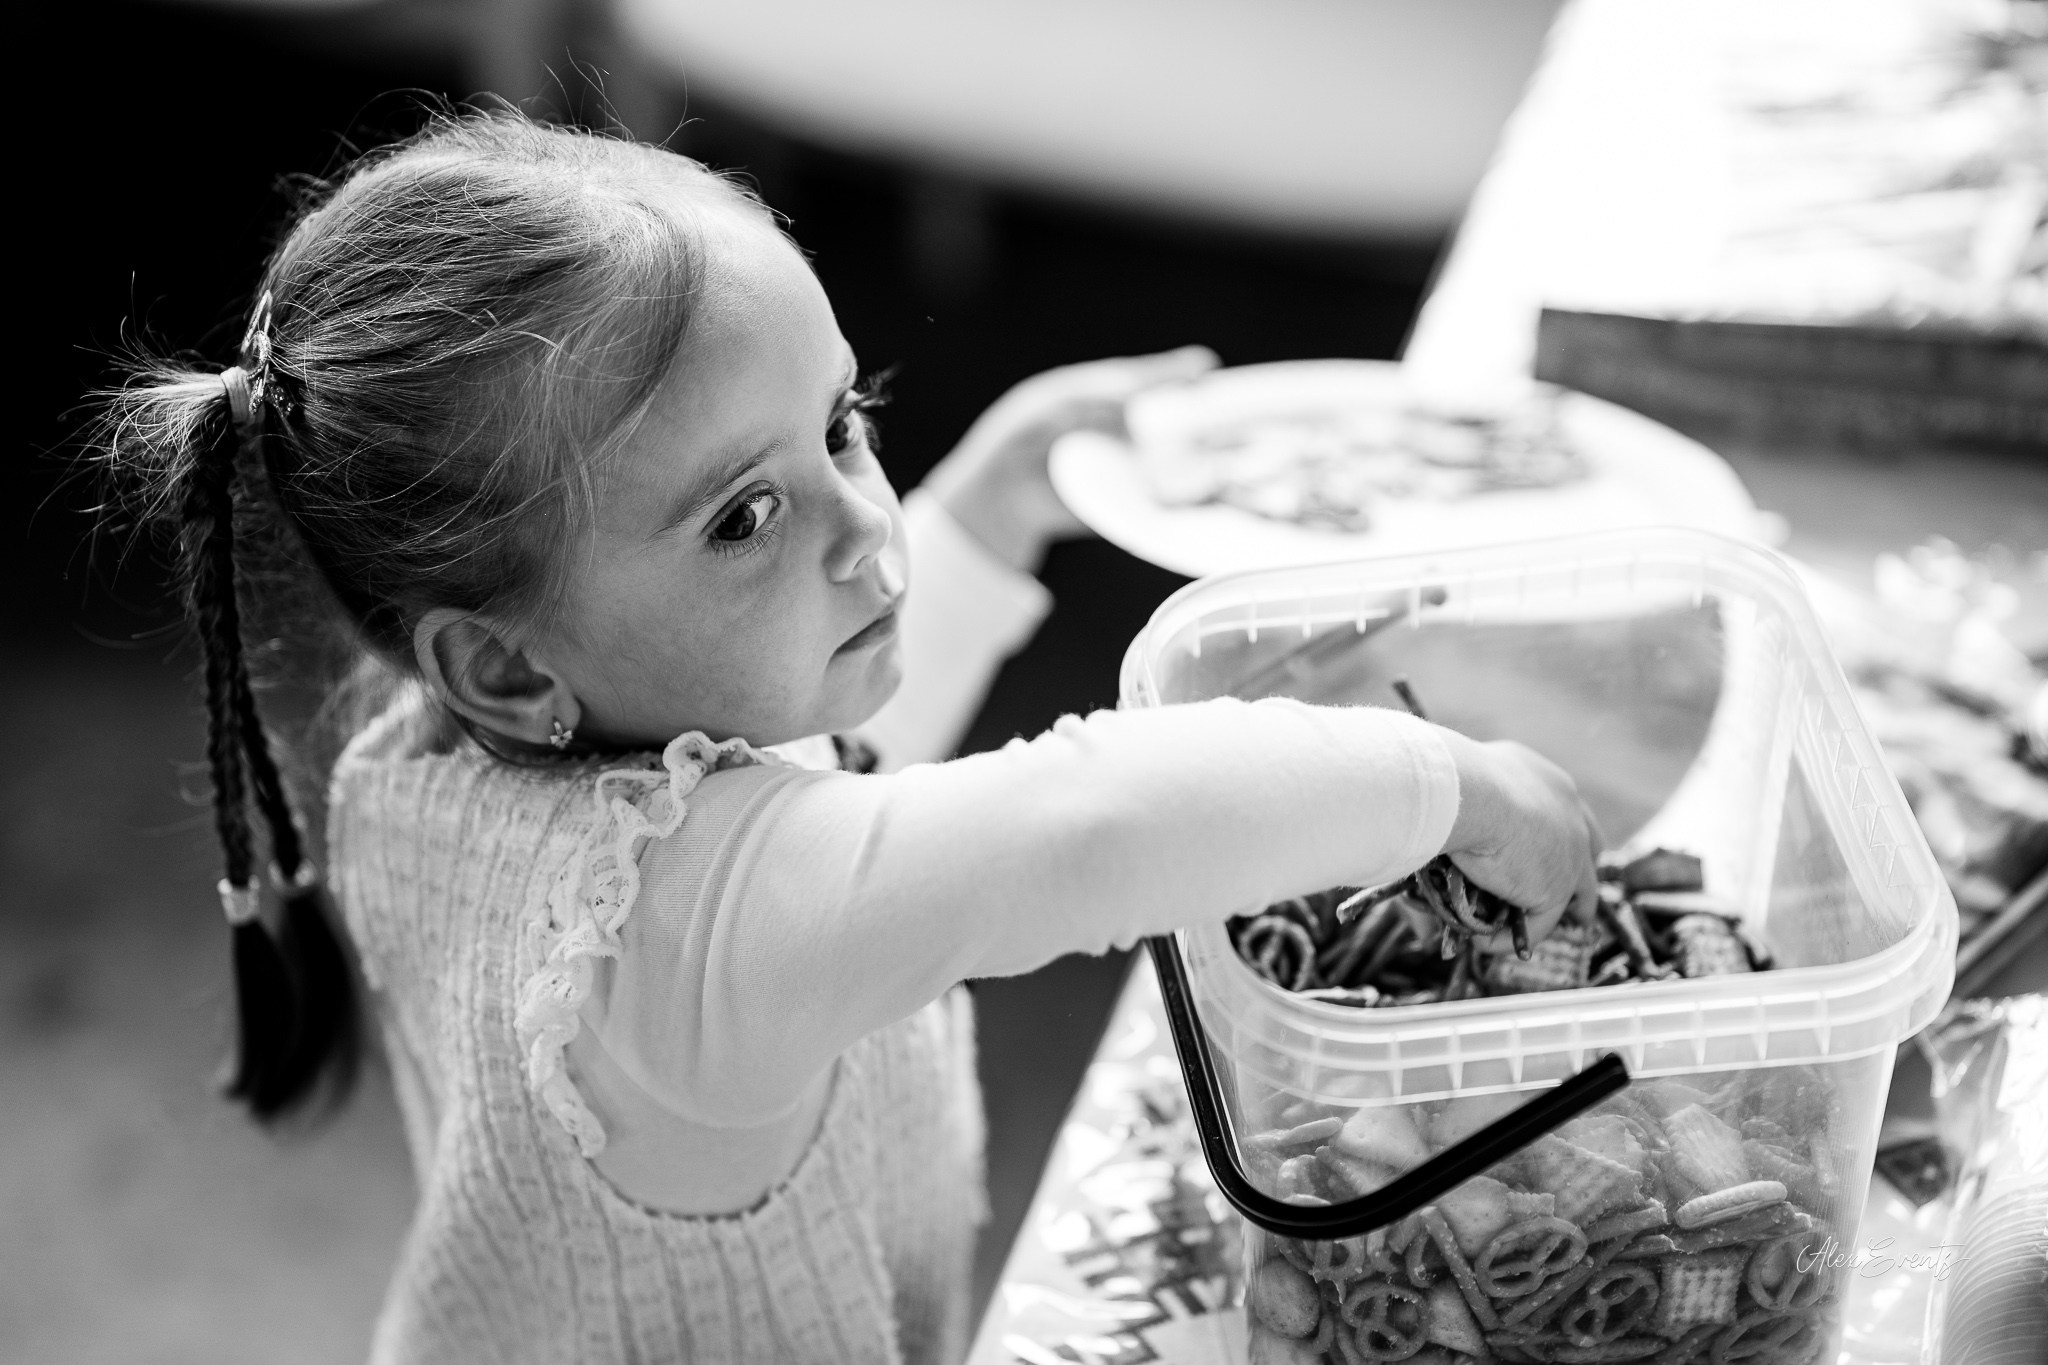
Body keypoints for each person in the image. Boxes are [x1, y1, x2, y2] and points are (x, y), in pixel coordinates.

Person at [93, 112, 1602, 1365]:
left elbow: (825, 777)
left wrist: (990, 513)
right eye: (744, 515)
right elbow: (1084, 827)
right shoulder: (700, 927)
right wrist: (1452, 783)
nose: (863, 530)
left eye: (841, 423)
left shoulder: (449, 756)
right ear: (498, 662)